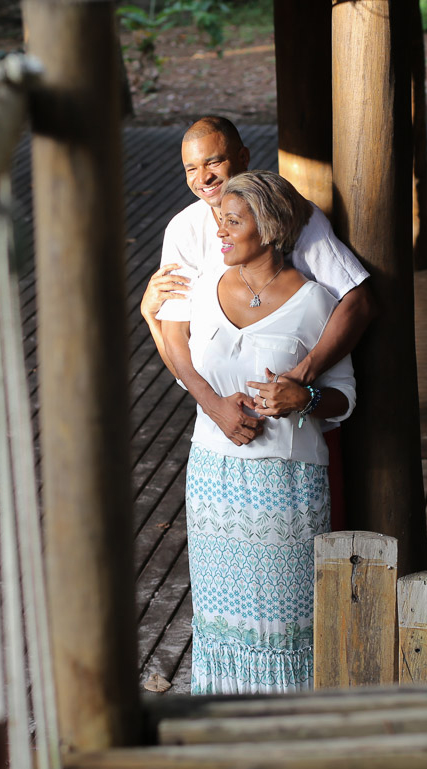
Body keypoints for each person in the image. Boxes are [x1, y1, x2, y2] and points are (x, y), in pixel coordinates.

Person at [157, 170, 356, 693]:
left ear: (268, 229)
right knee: (219, 625)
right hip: (213, 483)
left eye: (232, 221)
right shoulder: (201, 289)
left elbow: (345, 397)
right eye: (219, 220)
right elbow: (180, 358)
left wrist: (304, 397)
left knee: (285, 629)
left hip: (286, 489)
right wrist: (150, 316)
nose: (219, 231)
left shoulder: (316, 302)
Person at [140, 116, 374, 446]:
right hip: (218, 415)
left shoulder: (295, 217)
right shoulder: (184, 229)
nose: (203, 178)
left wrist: (300, 377)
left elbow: (358, 301)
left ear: (243, 158)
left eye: (213, 162)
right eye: (190, 168)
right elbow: (177, 332)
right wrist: (214, 407)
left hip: (296, 418)